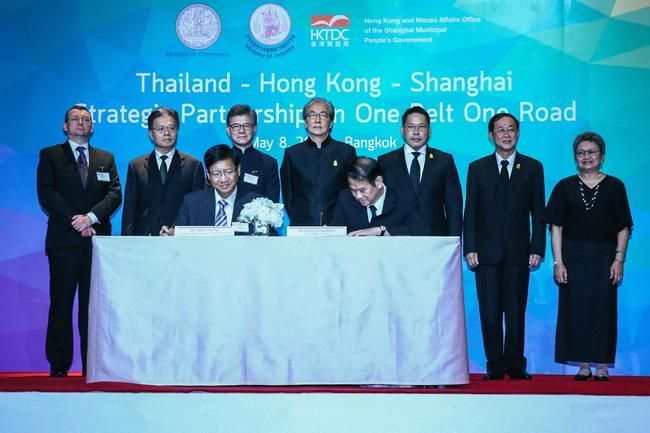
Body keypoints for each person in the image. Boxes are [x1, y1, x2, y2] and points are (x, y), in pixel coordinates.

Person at [36, 105, 122, 377]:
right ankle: (59, 366)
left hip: (97, 243)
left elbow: (114, 194)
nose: (81, 123)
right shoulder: (50, 155)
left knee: (93, 307)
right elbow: (47, 193)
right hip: (64, 241)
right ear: (65, 126)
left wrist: (91, 218)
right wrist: (77, 220)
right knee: (61, 303)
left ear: (92, 127)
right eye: (75, 119)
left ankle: (92, 364)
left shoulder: (105, 158)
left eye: (86, 119)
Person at [463, 112, 545, 380]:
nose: (506, 134)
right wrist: (470, 247)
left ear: (518, 133)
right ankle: (495, 364)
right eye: (500, 130)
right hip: (485, 253)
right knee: (489, 312)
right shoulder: (477, 168)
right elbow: (470, 211)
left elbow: (538, 212)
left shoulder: (533, 167)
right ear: (491, 135)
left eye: (511, 129)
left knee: (515, 311)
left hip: (519, 252)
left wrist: (537, 248)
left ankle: (516, 363)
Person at [545, 132, 632, 381]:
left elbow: (623, 227)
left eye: (591, 152)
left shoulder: (615, 186)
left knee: (603, 311)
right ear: (575, 157)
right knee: (576, 311)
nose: (586, 157)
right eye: (581, 153)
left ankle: (602, 365)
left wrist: (618, 259)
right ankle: (583, 365)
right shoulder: (564, 186)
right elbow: (556, 227)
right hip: (572, 257)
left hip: (604, 257)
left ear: (601, 156)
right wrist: (558, 262)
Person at [378, 106, 462, 236]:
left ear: (429, 131)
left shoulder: (444, 161)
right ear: (402, 130)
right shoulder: (385, 162)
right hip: (396, 237)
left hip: (435, 238)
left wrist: (455, 240)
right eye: (410, 127)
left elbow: (454, 207)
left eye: (421, 127)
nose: (416, 132)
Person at [121, 107, 204, 236]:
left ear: (177, 131)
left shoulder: (193, 166)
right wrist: (127, 242)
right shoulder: (136, 166)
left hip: (180, 239)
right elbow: (129, 211)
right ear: (150, 134)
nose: (167, 133)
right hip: (145, 239)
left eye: (172, 128)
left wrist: (178, 231)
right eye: (160, 129)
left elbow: (197, 209)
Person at [280, 97, 356, 226]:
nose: (317, 120)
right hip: (302, 225)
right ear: (305, 122)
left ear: (331, 123)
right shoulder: (292, 154)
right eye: (312, 115)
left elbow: (352, 191)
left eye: (323, 115)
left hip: (338, 224)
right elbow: (288, 195)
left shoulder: (346, 152)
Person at [161, 145, 261, 232]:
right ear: (208, 175)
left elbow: (266, 239)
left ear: (238, 170)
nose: (223, 179)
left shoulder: (256, 203)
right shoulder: (191, 203)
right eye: (216, 174)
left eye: (228, 172)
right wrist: (171, 235)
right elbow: (180, 236)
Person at [331, 156, 429, 236]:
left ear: (378, 182)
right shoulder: (345, 198)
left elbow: (420, 231)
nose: (358, 196)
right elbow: (336, 232)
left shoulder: (404, 199)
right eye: (353, 190)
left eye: (363, 190)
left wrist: (381, 231)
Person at [226, 104, 280, 202]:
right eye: (236, 126)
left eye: (247, 126)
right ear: (228, 130)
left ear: (254, 129)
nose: (241, 131)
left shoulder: (269, 163)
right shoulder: (219, 161)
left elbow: (272, 203)